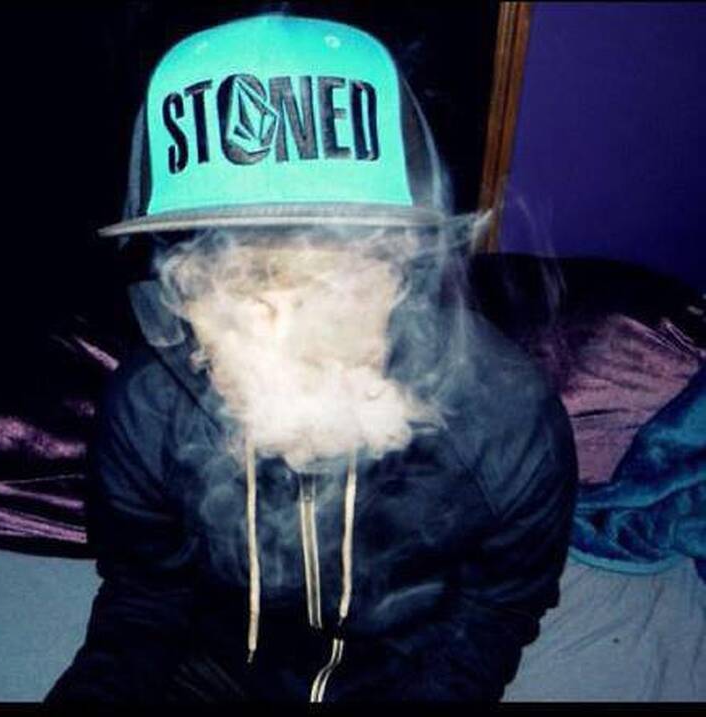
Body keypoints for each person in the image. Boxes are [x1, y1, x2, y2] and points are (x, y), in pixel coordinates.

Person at [45, 13, 577, 703]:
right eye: (234, 283)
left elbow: (495, 609)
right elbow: (145, 596)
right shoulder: (147, 411)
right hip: (210, 677)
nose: (281, 339)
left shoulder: (509, 421)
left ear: (401, 274)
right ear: (178, 289)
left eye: (327, 278)